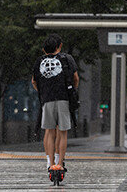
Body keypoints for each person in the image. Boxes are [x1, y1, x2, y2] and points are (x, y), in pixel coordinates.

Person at [32, 34, 79, 171]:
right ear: (59, 46)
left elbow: (34, 81)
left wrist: (42, 92)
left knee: (49, 131)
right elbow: (75, 78)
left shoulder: (39, 61)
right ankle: (60, 162)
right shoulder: (67, 59)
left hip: (47, 99)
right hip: (64, 98)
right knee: (62, 131)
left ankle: (50, 162)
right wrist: (73, 90)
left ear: (43, 49)